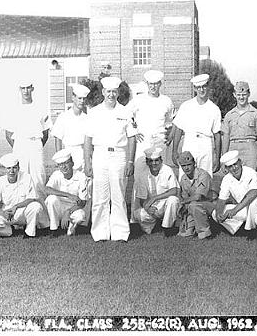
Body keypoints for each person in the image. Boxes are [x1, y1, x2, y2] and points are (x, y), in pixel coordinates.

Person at [84, 76, 137, 242]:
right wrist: (87, 161)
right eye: (108, 92)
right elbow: (87, 139)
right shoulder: (94, 112)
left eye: (114, 92)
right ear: (103, 92)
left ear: (118, 93)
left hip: (119, 156)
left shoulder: (126, 112)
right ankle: (100, 233)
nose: (111, 95)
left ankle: (120, 233)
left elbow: (132, 138)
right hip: (100, 155)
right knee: (100, 196)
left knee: (119, 195)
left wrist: (130, 161)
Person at [129, 69, 175, 222]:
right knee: (140, 177)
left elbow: (170, 122)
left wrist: (168, 135)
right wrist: (134, 131)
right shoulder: (138, 100)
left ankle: (163, 215)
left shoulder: (166, 101)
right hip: (143, 143)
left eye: (156, 84)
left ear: (160, 84)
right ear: (146, 84)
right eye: (150, 84)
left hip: (160, 143)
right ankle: (136, 217)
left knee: (161, 176)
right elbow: (126, 117)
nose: (153, 87)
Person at [3, 80, 52, 196]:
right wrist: (18, 145)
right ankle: (21, 203)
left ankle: (40, 204)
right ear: (19, 89)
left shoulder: (40, 107)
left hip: (36, 144)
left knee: (38, 175)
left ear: (32, 89)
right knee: (21, 175)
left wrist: (37, 144)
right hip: (20, 145)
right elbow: (8, 134)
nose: (26, 91)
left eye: (28, 88)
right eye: (23, 88)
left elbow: (45, 133)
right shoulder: (13, 109)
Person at [0, 153, 48, 238]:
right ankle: (9, 231)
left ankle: (29, 232)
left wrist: (16, 207)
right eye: (8, 168)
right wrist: (3, 214)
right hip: (7, 213)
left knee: (35, 206)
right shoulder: (0, 181)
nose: (12, 171)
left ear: (18, 168)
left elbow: (31, 198)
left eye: (14, 168)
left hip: (21, 211)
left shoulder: (27, 177)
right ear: (5, 170)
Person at [172, 74, 222, 176]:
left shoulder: (214, 109)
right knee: (186, 179)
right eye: (198, 87)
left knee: (205, 178)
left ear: (208, 87)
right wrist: (174, 151)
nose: (201, 90)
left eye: (204, 86)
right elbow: (178, 129)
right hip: (189, 142)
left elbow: (217, 135)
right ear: (195, 88)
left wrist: (217, 158)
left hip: (205, 145)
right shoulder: (186, 106)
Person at [213, 150, 257, 237]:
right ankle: (239, 229)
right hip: (242, 207)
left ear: (240, 162)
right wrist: (219, 213)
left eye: (235, 164)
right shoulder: (226, 179)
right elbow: (221, 199)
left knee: (253, 204)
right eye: (230, 166)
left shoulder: (251, 172)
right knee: (215, 213)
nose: (234, 168)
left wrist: (234, 210)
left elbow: (253, 194)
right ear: (227, 168)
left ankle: (252, 231)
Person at [132, 147, 180, 236]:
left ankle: (168, 228)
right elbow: (142, 199)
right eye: (150, 161)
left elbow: (174, 191)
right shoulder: (143, 175)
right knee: (138, 214)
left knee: (173, 200)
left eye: (156, 160)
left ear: (161, 160)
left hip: (165, 204)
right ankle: (153, 227)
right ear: (147, 162)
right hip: (153, 207)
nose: (153, 163)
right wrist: (147, 208)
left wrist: (154, 198)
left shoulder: (167, 170)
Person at [221, 81, 257, 171]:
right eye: (238, 95)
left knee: (252, 178)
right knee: (234, 179)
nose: (241, 97)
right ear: (234, 95)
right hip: (233, 148)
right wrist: (224, 160)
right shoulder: (229, 115)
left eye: (244, 94)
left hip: (250, 150)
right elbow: (226, 138)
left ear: (249, 94)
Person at [44, 148, 91, 236]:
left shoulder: (81, 177)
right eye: (60, 164)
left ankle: (71, 226)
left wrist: (68, 212)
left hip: (74, 207)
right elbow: (46, 189)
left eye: (66, 163)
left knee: (80, 217)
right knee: (51, 199)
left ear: (72, 163)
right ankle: (54, 229)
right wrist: (68, 195)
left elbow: (83, 202)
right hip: (59, 206)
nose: (64, 167)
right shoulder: (56, 174)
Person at [176, 151, 218, 239]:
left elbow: (199, 196)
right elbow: (185, 197)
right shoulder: (183, 178)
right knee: (185, 234)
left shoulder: (203, 175)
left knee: (194, 205)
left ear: (194, 163)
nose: (186, 168)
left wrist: (183, 202)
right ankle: (191, 228)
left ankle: (205, 233)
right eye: (183, 166)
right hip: (194, 205)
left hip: (212, 203)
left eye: (189, 164)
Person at [51, 83, 90, 171]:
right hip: (68, 153)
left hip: (83, 153)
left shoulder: (87, 118)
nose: (82, 101)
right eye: (79, 98)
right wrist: (60, 159)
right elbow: (58, 138)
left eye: (84, 99)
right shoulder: (63, 117)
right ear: (73, 98)